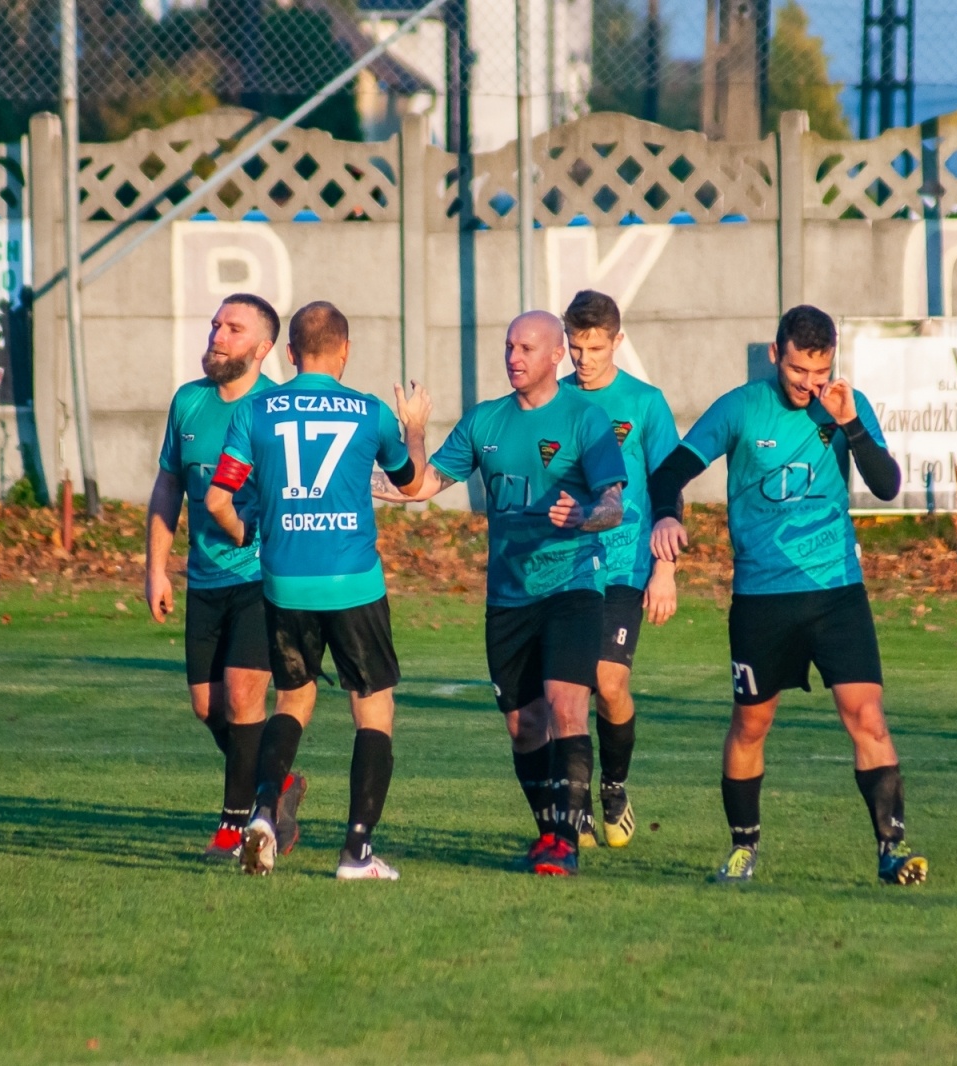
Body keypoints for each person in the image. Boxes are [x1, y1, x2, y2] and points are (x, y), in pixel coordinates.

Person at [647, 304, 927, 886]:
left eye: (819, 372)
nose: (809, 384)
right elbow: (667, 474)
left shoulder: (846, 405)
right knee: (751, 726)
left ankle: (891, 849)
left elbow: (888, 484)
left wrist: (848, 421)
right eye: (799, 371)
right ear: (776, 355)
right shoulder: (740, 408)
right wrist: (668, 521)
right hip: (762, 599)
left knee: (867, 716)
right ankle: (743, 848)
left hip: (836, 593)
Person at [378, 310, 627, 877]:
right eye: (509, 346)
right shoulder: (484, 422)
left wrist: (585, 514)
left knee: (567, 706)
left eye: (526, 348)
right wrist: (412, 432)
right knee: (523, 726)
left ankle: (566, 841)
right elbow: (418, 486)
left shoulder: (586, 419)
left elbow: (613, 504)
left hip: (572, 584)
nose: (513, 358)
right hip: (508, 597)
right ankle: (549, 831)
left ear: (555, 355)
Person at [205, 300, 431, 880]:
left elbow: (217, 500)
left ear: (288, 353)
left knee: (293, 701)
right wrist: (415, 429)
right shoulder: (371, 413)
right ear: (345, 350)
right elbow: (410, 485)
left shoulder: (255, 412)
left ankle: (261, 815)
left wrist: (250, 533)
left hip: (284, 581)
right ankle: (356, 852)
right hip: (353, 581)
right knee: (373, 710)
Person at [144, 293, 304, 863]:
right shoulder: (189, 402)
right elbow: (168, 486)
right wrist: (157, 569)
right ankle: (276, 783)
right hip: (205, 580)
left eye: (233, 329)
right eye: (215, 324)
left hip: (264, 579)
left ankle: (234, 826)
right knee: (207, 706)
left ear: (263, 348)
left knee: (243, 697)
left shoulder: (280, 410)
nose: (217, 335)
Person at [559, 290, 680, 848]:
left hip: (626, 566)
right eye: (576, 346)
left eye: (595, 347)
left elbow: (667, 491)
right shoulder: (553, 400)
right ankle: (575, 802)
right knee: (567, 692)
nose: (583, 358)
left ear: (618, 341)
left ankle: (614, 784)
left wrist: (665, 572)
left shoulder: (646, 403)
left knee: (609, 682)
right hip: (566, 568)